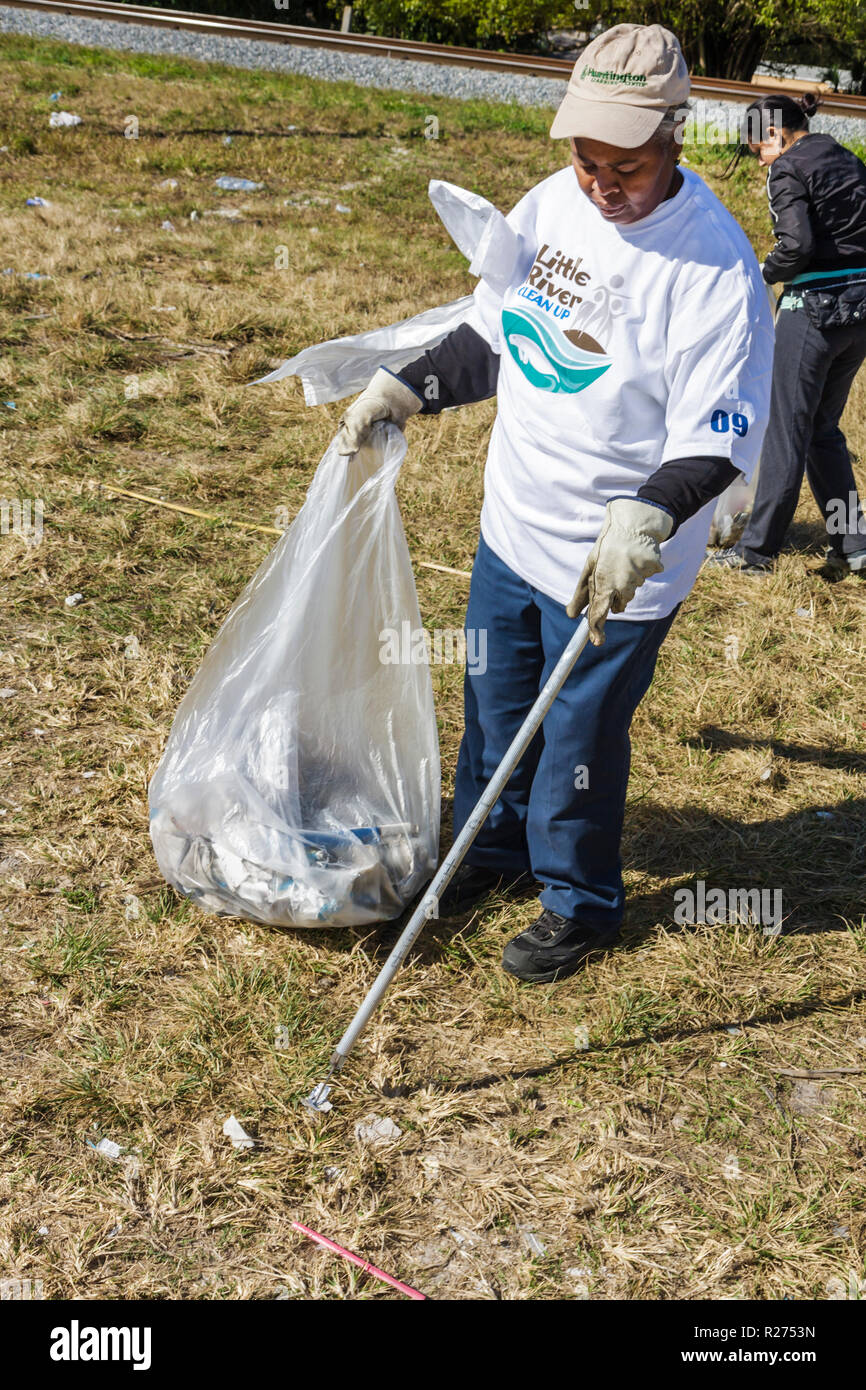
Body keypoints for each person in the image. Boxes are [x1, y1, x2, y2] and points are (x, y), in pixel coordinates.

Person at [336, 23, 774, 983]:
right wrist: (409, 386)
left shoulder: (713, 271)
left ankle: (579, 901)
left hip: (617, 558)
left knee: (574, 733)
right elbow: (495, 335)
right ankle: (485, 855)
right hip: (515, 527)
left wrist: (651, 514)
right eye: (586, 161)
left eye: (626, 166)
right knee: (493, 709)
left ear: (675, 137)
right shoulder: (550, 208)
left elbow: (720, 434)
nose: (602, 186)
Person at [710, 93, 866, 574]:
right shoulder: (845, 157)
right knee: (823, 431)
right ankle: (854, 541)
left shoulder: (788, 168)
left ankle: (756, 553)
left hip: (814, 310)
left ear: (775, 134)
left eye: (758, 149)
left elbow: (796, 245)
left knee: (785, 430)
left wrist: (764, 271)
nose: (760, 161)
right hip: (860, 311)